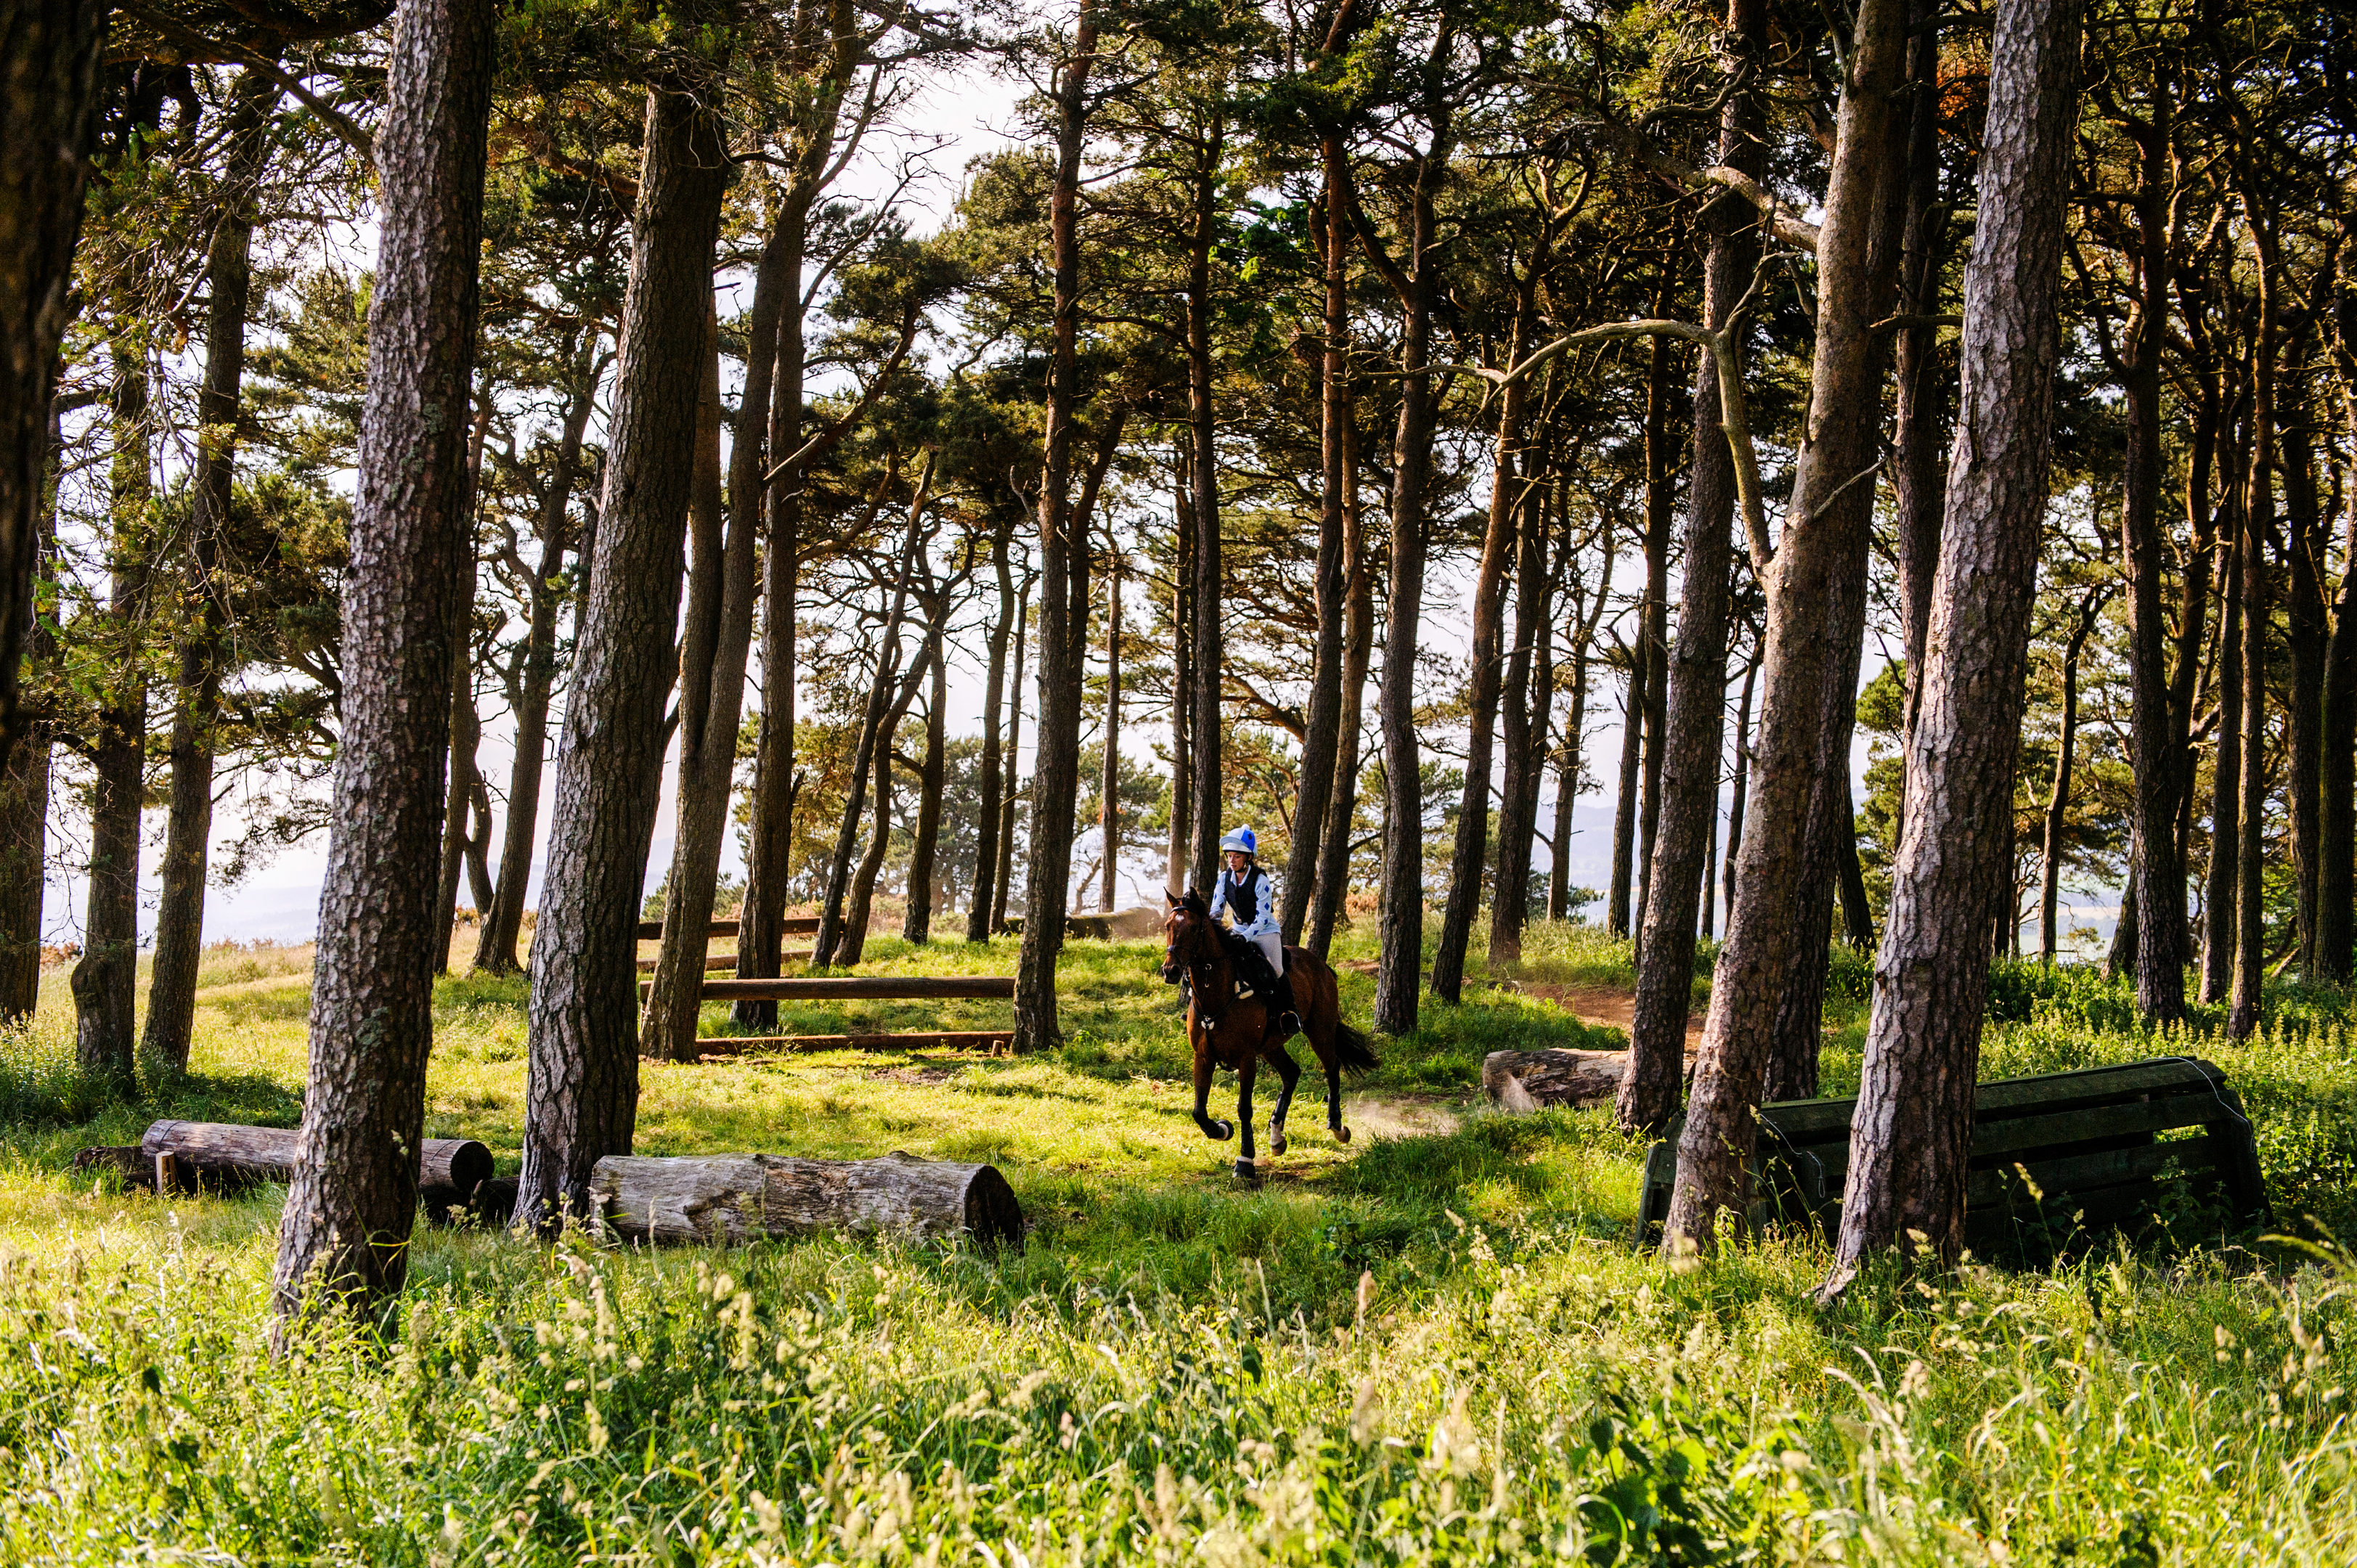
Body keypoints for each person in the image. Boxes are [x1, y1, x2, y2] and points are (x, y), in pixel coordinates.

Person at [1208, 826, 1298, 1033]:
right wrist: (1214, 928)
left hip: (1265, 932)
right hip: (1239, 930)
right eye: (1229, 856)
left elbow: (1263, 918)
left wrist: (1244, 937)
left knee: (1275, 968)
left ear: (1248, 857)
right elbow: (1216, 910)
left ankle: (1289, 1012)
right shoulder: (1223, 878)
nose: (1232, 861)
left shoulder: (1261, 880)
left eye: (1237, 856)